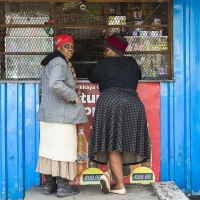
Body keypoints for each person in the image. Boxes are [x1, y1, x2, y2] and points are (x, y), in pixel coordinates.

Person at [88, 33, 151, 195]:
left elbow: (92, 77)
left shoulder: (104, 63)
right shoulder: (131, 62)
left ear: (114, 50)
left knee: (113, 144)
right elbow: (138, 76)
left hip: (111, 102)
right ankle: (109, 173)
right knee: (118, 141)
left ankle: (120, 186)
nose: (104, 52)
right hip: (133, 104)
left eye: (106, 49)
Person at [36, 34, 88, 198]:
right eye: (67, 46)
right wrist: (72, 96)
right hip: (61, 116)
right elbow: (55, 84)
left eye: (72, 47)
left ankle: (49, 185)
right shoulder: (59, 61)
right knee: (63, 150)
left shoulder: (51, 61)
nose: (71, 50)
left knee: (50, 150)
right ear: (58, 47)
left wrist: (47, 104)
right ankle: (63, 187)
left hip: (49, 115)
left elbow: (42, 87)